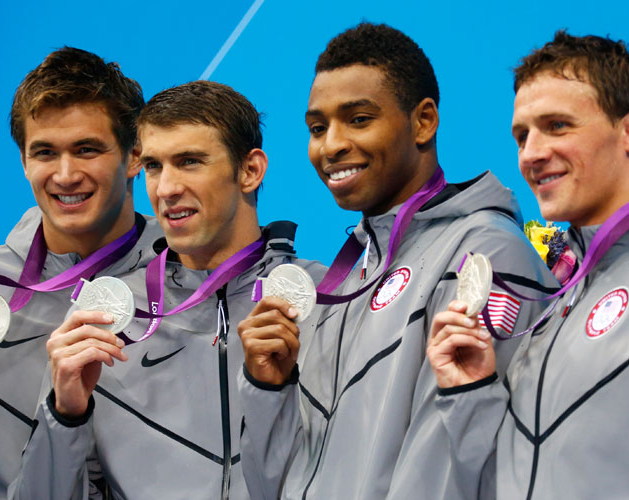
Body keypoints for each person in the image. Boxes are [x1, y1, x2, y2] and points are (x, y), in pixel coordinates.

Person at [237, 22, 558, 499]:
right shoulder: (346, 282)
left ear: (423, 121)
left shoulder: (483, 254)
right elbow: (275, 484)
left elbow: (470, 468)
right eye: (317, 128)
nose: (331, 145)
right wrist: (267, 390)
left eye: (359, 119)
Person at [9, 81, 325, 499]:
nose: (165, 188)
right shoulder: (104, 318)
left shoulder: (328, 302)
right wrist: (64, 415)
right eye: (155, 166)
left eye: (190, 161)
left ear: (250, 171)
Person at [0, 47, 159, 499]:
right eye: (45, 152)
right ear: (24, 162)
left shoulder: (194, 285)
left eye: (87, 149)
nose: (65, 175)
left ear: (134, 157)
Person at [427, 31, 629, 499]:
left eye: (557, 126)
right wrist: (470, 393)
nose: (530, 154)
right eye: (522, 135)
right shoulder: (551, 306)